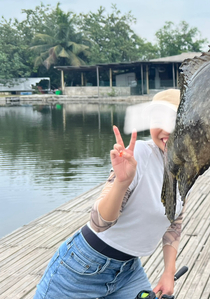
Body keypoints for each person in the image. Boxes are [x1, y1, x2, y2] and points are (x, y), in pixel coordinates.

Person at [34, 89, 185, 299]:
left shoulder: (184, 167)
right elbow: (99, 223)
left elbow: (174, 220)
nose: (165, 129)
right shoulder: (139, 154)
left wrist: (169, 272)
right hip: (81, 268)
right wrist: (121, 183)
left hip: (128, 271)